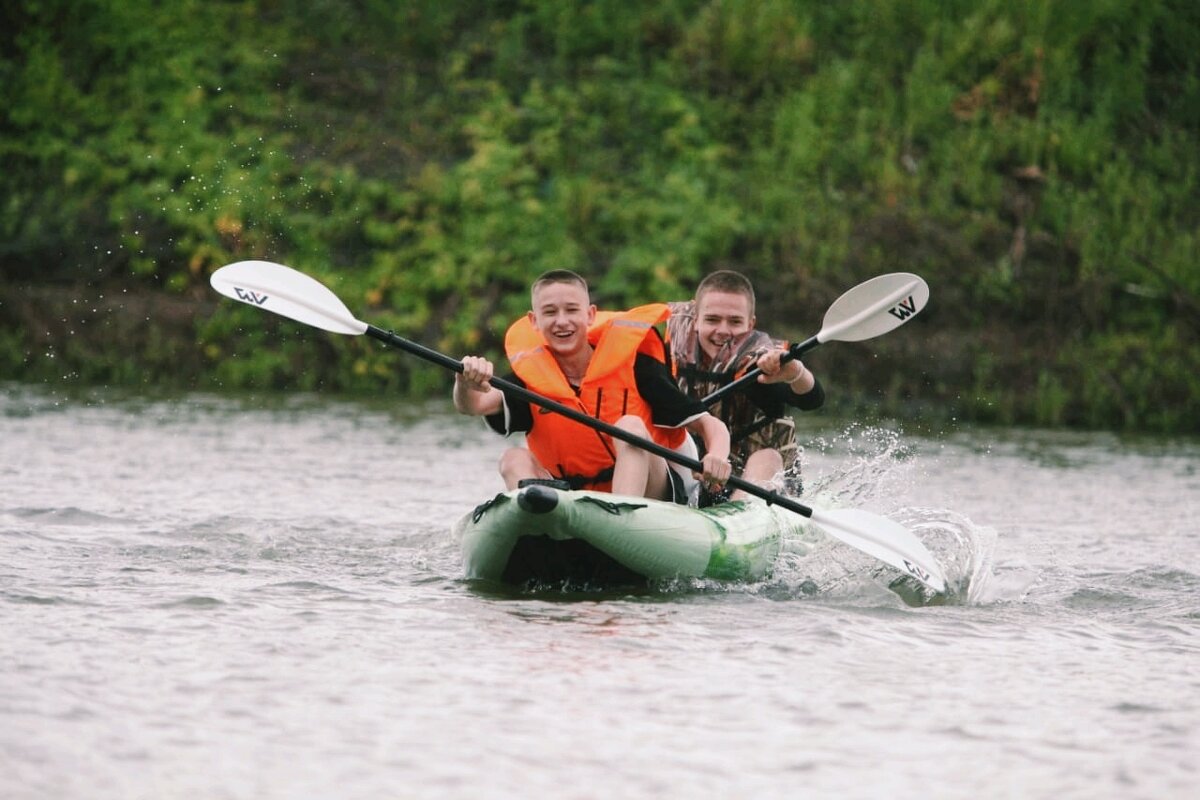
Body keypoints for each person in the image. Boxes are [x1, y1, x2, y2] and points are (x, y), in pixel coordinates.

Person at [454, 269, 733, 503]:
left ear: (589, 315)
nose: (561, 321)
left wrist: (717, 456)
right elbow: (473, 405)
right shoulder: (529, 378)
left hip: (652, 494)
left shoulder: (636, 365)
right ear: (534, 321)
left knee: (631, 427)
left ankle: (622, 519)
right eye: (550, 312)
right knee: (512, 458)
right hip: (572, 498)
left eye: (571, 310)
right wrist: (465, 382)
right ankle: (539, 527)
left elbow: (710, 425)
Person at [667, 269, 824, 503]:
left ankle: (734, 520)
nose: (722, 330)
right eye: (712, 319)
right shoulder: (666, 350)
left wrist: (795, 372)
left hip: (754, 484)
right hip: (692, 476)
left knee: (767, 457)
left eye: (734, 321)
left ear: (751, 324)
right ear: (696, 320)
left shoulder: (759, 364)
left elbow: (812, 399)